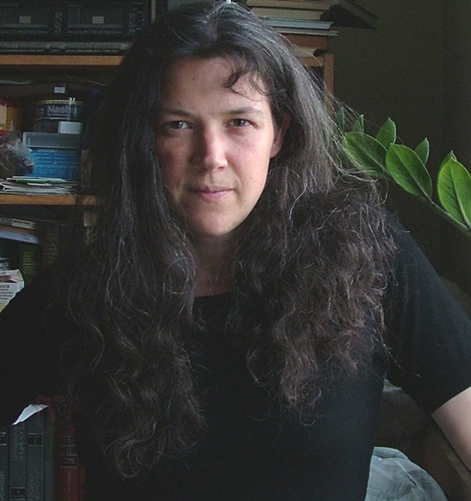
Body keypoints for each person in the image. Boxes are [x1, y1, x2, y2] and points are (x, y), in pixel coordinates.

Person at [1, 1, 471, 499]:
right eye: (178, 124)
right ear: (143, 139)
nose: (212, 157)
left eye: (240, 122)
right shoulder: (85, 289)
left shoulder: (368, 255)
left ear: (279, 133)